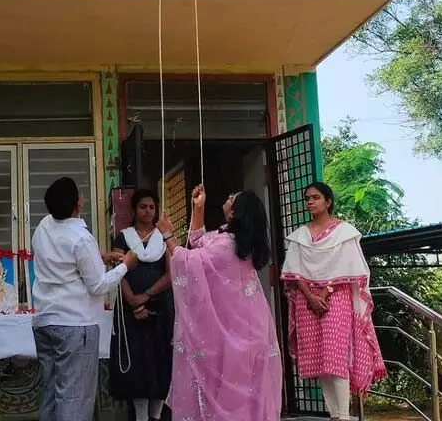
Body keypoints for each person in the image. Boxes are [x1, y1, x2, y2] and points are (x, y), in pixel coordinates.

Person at [155, 186, 281, 420]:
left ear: (235, 213)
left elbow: (189, 260)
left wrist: (168, 236)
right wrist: (198, 208)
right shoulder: (233, 241)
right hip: (247, 331)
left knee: (230, 396)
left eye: (232, 198)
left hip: (234, 335)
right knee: (246, 394)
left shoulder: (226, 244)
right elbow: (199, 241)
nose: (227, 197)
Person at [31, 176, 139, 421]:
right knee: (74, 400)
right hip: (74, 325)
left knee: (50, 394)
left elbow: (62, 260)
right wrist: (125, 266)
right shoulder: (81, 238)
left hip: (45, 322)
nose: (83, 198)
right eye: (79, 195)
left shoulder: (43, 227)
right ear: (76, 205)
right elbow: (98, 286)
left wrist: (99, 257)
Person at [280, 183, 387, 419]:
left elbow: (349, 268)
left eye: (316, 197)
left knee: (336, 356)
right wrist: (311, 297)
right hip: (306, 302)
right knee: (319, 359)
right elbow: (294, 272)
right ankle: (334, 414)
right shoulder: (300, 236)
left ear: (328, 202)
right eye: (307, 198)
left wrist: (324, 294)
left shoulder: (344, 232)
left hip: (335, 299)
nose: (310, 202)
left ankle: (345, 416)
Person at [109, 189, 174, 421]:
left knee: (160, 361)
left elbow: (171, 272)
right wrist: (133, 302)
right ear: (134, 210)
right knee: (137, 363)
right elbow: (118, 271)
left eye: (151, 207)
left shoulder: (164, 236)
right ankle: (140, 417)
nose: (147, 211)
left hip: (160, 308)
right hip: (129, 311)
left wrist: (145, 296)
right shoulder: (123, 237)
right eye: (143, 207)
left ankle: (156, 416)